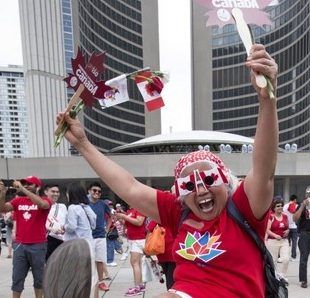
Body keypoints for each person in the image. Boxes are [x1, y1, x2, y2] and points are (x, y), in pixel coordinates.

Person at [56, 43, 277, 297]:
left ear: (226, 181)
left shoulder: (245, 208)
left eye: (208, 178)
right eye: (190, 185)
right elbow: (129, 187)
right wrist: (83, 145)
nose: (201, 189)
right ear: (181, 194)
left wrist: (267, 99)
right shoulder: (178, 211)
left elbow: (264, 168)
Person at [0, 176, 52, 298]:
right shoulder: (18, 201)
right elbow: (2, 208)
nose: (27, 185)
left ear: (38, 187)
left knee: (39, 279)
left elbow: (43, 205)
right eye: (24, 183)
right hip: (20, 245)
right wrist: (2, 193)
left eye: (30, 184)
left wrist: (23, 189)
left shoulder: (45, 199)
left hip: (38, 245)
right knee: (17, 278)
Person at [116, 207, 147, 296]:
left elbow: (139, 222)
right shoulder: (130, 210)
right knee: (137, 263)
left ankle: (137, 286)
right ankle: (140, 285)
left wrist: (124, 216)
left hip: (139, 239)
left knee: (134, 262)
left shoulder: (140, 209)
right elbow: (128, 224)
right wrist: (121, 219)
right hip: (133, 239)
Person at [88, 182, 111, 292]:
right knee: (88, 261)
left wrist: (107, 229)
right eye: (94, 190)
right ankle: (89, 282)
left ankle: (101, 282)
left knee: (100, 260)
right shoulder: (85, 203)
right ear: (89, 191)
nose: (97, 192)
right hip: (88, 237)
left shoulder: (103, 204)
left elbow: (111, 216)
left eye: (99, 191)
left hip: (101, 236)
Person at [147, 219, 176, 290]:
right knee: (172, 280)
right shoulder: (175, 217)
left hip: (161, 252)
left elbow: (149, 230)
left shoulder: (157, 216)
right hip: (173, 252)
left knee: (169, 278)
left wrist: (147, 248)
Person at [266, 196, 289, 282]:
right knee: (273, 261)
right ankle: (275, 277)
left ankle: (283, 275)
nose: (280, 207)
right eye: (278, 206)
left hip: (284, 241)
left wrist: (288, 230)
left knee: (286, 259)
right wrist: (275, 235)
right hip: (273, 241)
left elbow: (288, 227)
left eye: (281, 205)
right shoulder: (271, 217)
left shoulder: (285, 216)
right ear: (274, 208)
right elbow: (267, 230)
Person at [44, 184, 67, 260]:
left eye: (57, 192)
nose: (56, 194)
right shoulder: (42, 206)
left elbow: (66, 222)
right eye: (53, 191)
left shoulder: (62, 206)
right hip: (47, 239)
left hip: (61, 240)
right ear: (46, 192)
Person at [283, 194, 298, 260]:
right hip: (294, 226)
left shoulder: (285, 206)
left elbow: (283, 215)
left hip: (286, 226)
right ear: (295, 199)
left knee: (285, 242)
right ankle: (293, 256)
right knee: (294, 242)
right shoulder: (297, 206)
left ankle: (285, 255)